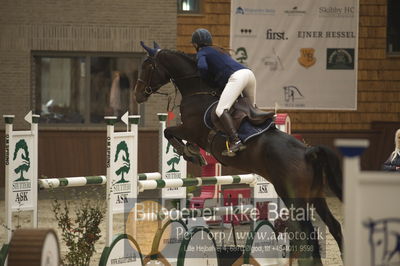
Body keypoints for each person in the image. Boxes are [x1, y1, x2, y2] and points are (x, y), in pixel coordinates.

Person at [191, 28, 256, 157]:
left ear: (196, 44)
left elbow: (202, 67)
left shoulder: (202, 52)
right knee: (251, 109)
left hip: (237, 77)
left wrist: (206, 78)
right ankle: (255, 135)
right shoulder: (218, 51)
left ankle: (236, 141)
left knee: (220, 110)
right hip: (249, 74)